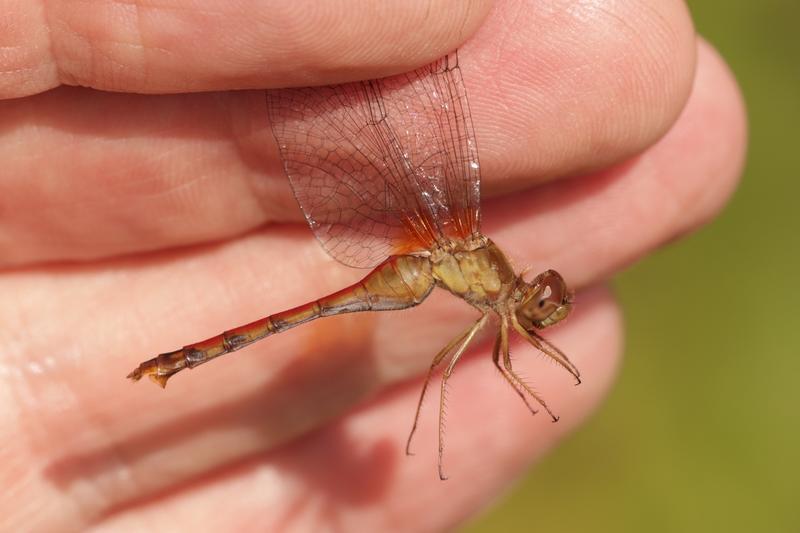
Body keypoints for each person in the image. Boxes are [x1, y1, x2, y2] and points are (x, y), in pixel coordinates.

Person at [0, 1, 746, 531]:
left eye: (541, 311)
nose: (537, 313)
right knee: (436, 370)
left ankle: (172, 364)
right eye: (538, 307)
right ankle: (180, 360)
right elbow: (480, 368)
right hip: (418, 269)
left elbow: (503, 357)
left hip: (423, 272)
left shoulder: (498, 300)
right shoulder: (482, 270)